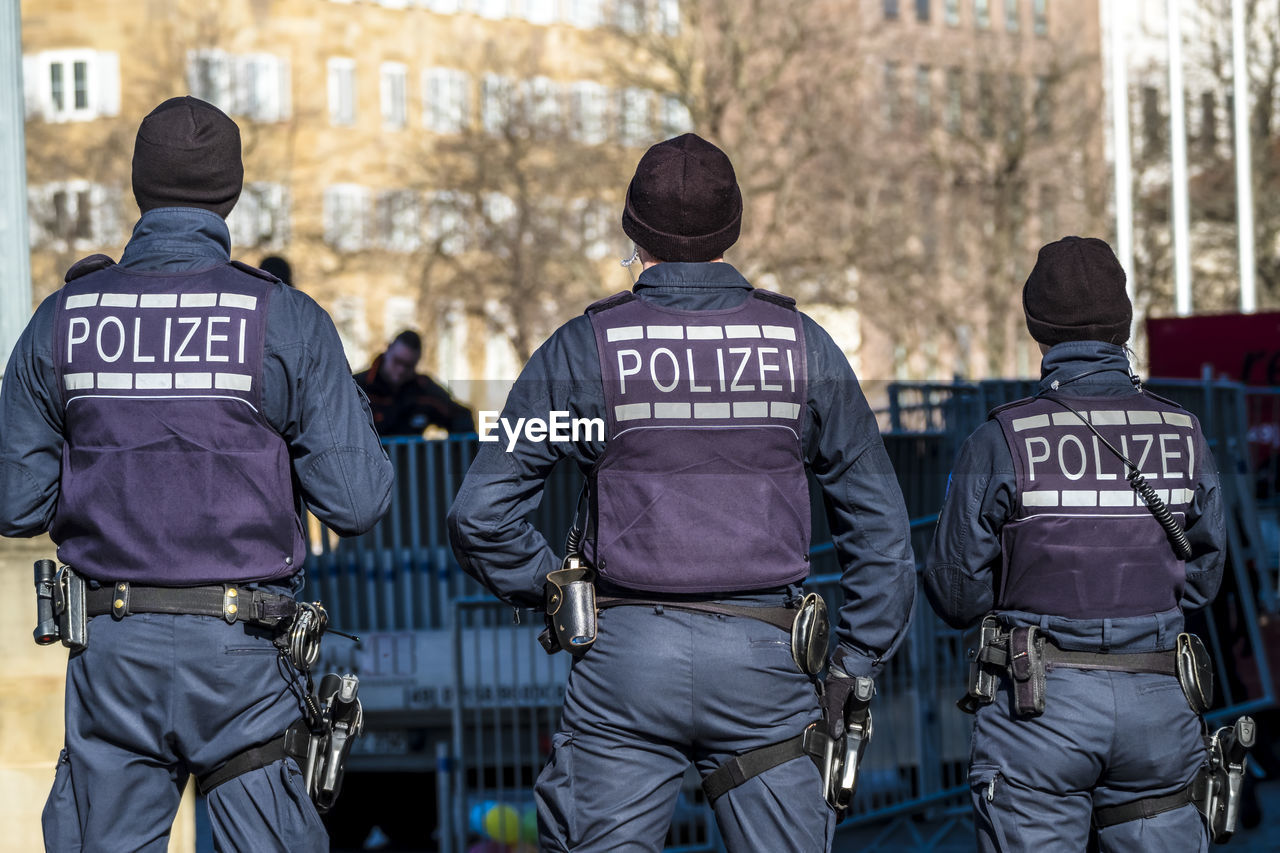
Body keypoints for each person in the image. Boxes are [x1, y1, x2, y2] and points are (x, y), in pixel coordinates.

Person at [447, 133, 916, 851]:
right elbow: (881, 525)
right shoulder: (802, 346)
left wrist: (557, 596)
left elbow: (483, 511)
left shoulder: (586, 347)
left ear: (633, 229)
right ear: (733, 229)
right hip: (770, 661)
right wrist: (854, 662)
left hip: (625, 664)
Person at [0, 96, 394, 852]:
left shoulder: (65, 317)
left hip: (112, 655)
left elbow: (17, 503)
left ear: (139, 187)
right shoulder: (284, 319)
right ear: (232, 192)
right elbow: (359, 500)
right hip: (244, 661)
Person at [923, 236, 1227, 852]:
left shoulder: (1002, 438)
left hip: (1039, 712)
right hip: (1160, 703)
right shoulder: (1182, 431)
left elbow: (957, 593)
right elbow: (1204, 574)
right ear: (1125, 324)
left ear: (1037, 328)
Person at [354, 330, 475, 436]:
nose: (401, 370)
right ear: (388, 350)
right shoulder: (358, 387)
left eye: (408, 366)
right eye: (397, 361)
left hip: (410, 460)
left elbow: (460, 416)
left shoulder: (423, 390)